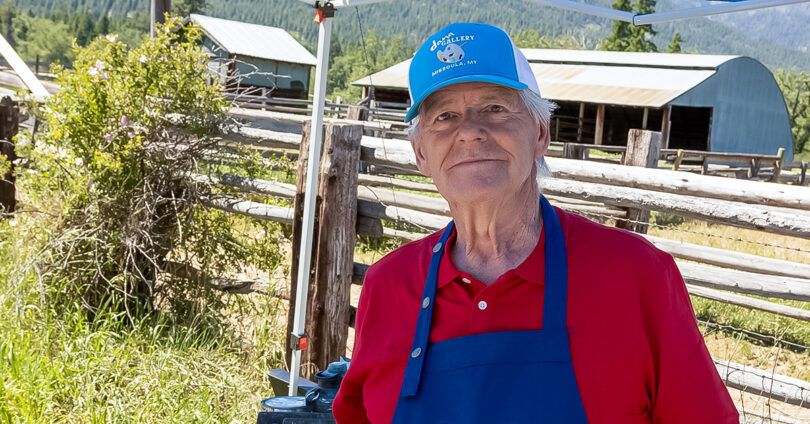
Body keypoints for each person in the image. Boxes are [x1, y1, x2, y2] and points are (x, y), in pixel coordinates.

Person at [332, 22, 738, 423]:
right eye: (444, 117)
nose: (470, 131)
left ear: (540, 132)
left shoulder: (637, 275)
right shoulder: (388, 285)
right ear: (421, 153)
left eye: (495, 108)